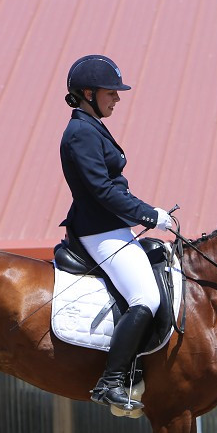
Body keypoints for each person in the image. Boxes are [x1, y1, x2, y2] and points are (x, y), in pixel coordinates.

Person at [59, 54, 173, 411]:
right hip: (99, 230)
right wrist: (148, 214)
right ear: (89, 93)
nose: (117, 98)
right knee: (146, 297)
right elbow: (102, 190)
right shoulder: (80, 132)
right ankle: (111, 382)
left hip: (112, 225)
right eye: (111, 92)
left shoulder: (91, 127)